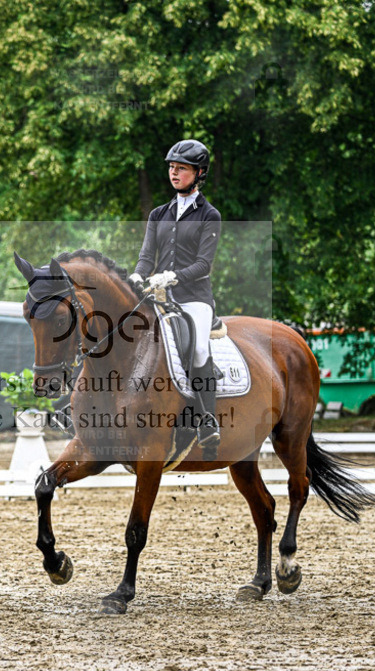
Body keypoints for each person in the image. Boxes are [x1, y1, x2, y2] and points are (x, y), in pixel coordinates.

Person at [129, 139, 222, 457]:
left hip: (194, 297)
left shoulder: (210, 215)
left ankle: (208, 420)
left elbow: (204, 264)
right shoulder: (159, 213)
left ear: (198, 173)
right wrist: (138, 276)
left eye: (181, 168)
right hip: (160, 296)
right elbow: (145, 257)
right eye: (171, 167)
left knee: (196, 346)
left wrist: (173, 276)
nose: (174, 172)